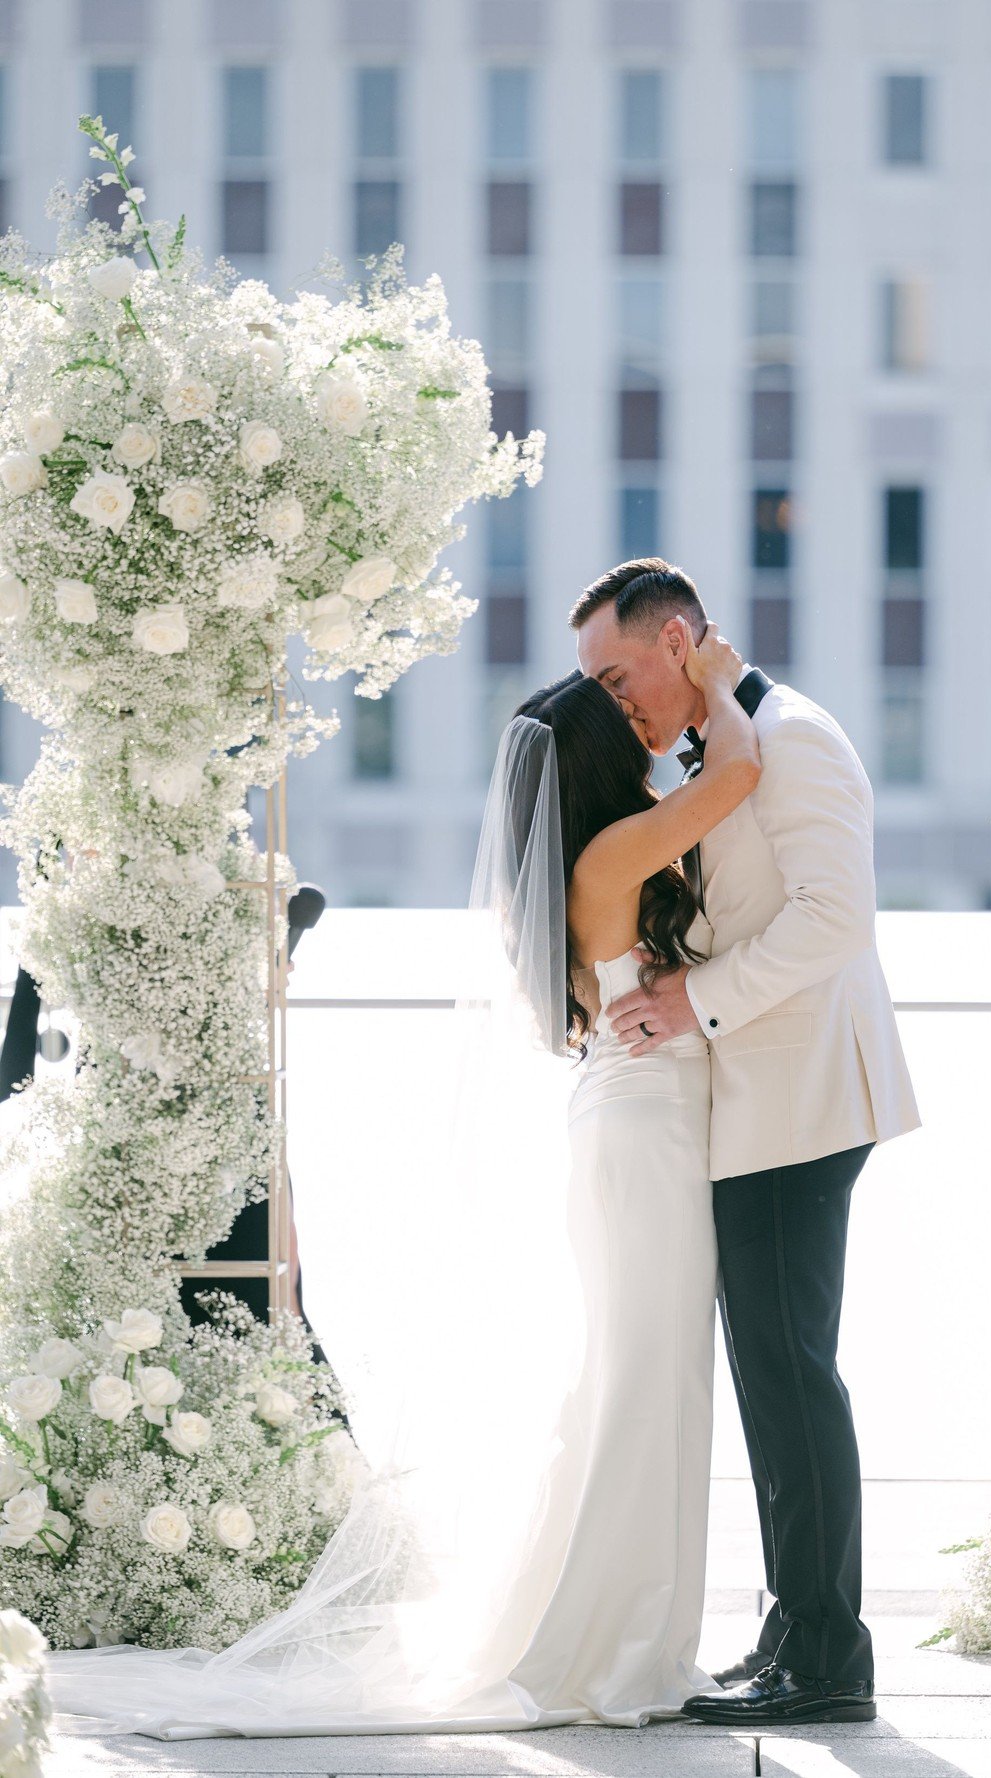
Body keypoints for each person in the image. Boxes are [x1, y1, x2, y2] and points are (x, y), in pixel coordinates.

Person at [46, 622, 763, 1737]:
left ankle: (639, 1631)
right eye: (624, 720)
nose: (644, 729)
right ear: (593, 755)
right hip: (642, 1130)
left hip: (642, 1122)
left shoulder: (610, 844)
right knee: (638, 1384)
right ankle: (614, 1641)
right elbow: (746, 772)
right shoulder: (609, 855)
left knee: (645, 1380)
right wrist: (715, 678)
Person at [571, 557, 921, 1726]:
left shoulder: (795, 736)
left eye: (618, 674)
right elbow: (753, 900)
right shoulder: (735, 739)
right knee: (773, 1372)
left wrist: (693, 999)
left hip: (801, 1098)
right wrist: (688, 968)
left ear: (678, 643)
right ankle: (795, 1626)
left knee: (790, 1373)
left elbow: (838, 917)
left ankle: (829, 1655)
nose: (616, 701)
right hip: (766, 1096)